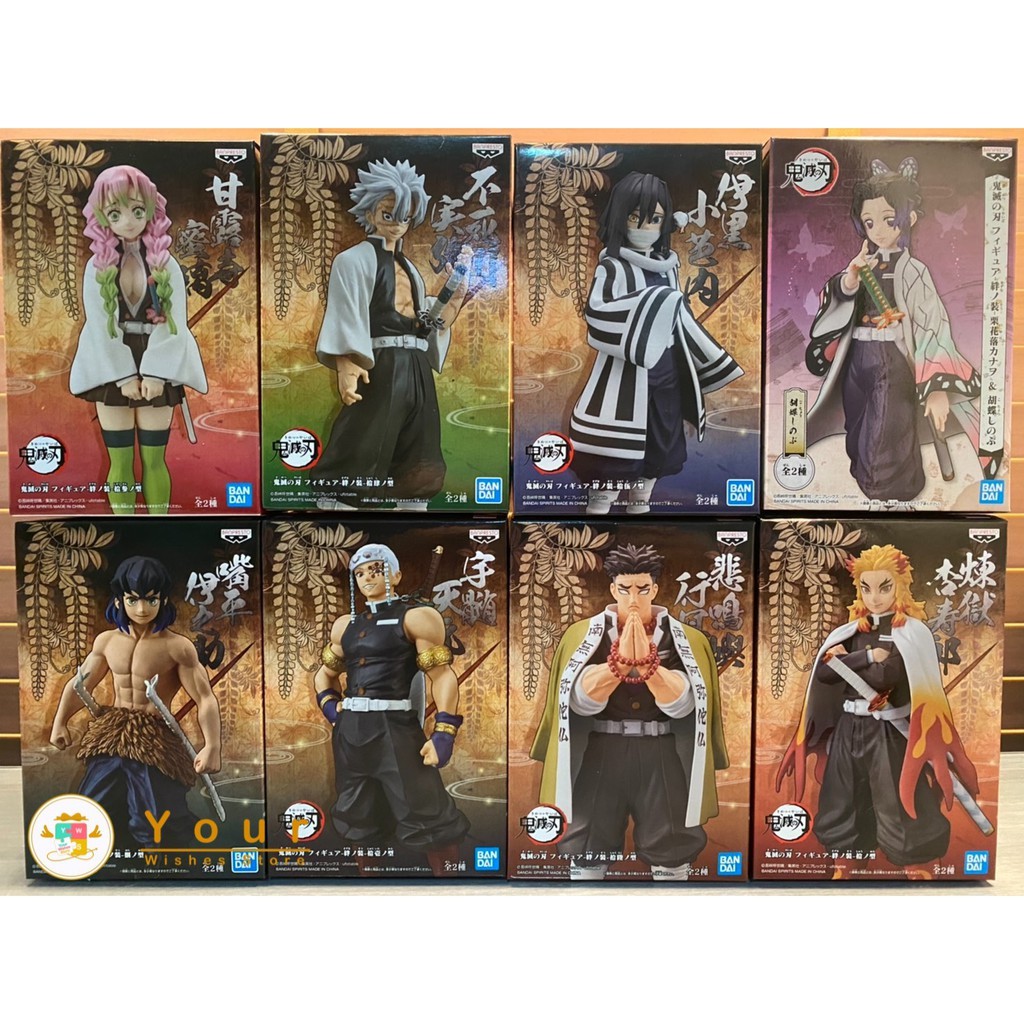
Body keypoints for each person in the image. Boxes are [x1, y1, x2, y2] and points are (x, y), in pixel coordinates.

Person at [530, 543, 727, 880]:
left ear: (655, 589)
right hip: (602, 751)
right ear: (612, 589)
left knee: (672, 840)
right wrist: (618, 665)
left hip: (660, 752)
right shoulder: (581, 635)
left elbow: (686, 705)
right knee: (587, 841)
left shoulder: (687, 639)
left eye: (642, 589)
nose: (633, 599)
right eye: (624, 589)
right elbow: (576, 700)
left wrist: (650, 667)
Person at [776, 544, 979, 866]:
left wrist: (847, 661)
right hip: (848, 727)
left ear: (900, 586)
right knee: (842, 794)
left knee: (896, 794)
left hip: (890, 729)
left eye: (884, 587)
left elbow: (887, 677)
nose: (874, 597)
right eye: (866, 588)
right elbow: (826, 673)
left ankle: (916, 860)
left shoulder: (911, 633)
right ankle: (846, 858)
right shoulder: (849, 632)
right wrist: (867, 656)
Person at [804, 158, 981, 501]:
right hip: (857, 358)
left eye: (889, 220)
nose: (879, 231)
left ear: (908, 219)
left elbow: (933, 325)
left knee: (885, 434)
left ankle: (889, 500)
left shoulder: (914, 271)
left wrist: (937, 389)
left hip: (893, 359)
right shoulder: (861, 265)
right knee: (857, 431)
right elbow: (833, 301)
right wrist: (850, 279)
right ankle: (871, 493)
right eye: (870, 222)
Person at [568, 171, 743, 515]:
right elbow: (598, 313)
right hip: (624, 370)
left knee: (661, 436)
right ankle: (599, 508)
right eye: (635, 217)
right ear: (620, 217)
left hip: (667, 367)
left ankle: (641, 505)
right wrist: (653, 307)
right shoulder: (613, 267)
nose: (644, 227)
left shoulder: (667, 267)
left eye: (654, 219)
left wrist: (704, 352)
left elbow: (680, 316)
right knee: (615, 446)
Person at [312, 159, 471, 511]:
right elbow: (345, 312)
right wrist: (346, 365)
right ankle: (340, 509)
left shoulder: (409, 268)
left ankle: (412, 512)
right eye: (389, 214)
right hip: (379, 365)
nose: (398, 224)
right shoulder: (353, 261)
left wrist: (453, 298)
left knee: (420, 447)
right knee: (364, 442)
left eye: (405, 217)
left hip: (416, 368)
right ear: (370, 212)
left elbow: (427, 323)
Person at [314, 543, 470, 875]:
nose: (367, 577)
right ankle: (369, 887)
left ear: (396, 575)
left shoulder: (416, 617)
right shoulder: (345, 625)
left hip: (394, 728)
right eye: (359, 573)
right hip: (350, 733)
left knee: (428, 815)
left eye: (376, 569)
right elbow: (324, 675)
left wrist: (444, 732)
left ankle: (451, 886)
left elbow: (442, 676)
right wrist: (332, 710)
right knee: (357, 817)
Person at [48, 556, 221, 846]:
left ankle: (165, 860)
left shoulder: (177, 647)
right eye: (133, 600)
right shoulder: (107, 642)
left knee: (154, 818)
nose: (142, 609)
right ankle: (89, 856)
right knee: (90, 809)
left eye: (151, 600)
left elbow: (205, 699)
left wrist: (212, 746)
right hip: (112, 734)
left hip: (152, 740)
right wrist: (60, 722)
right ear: (120, 600)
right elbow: (80, 684)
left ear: (162, 600)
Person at [71, 166, 208, 515]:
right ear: (102, 217)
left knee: (154, 457)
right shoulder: (98, 267)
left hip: (156, 358)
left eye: (137, 210)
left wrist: (157, 372)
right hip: (110, 364)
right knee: (119, 459)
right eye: (115, 213)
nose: (129, 222)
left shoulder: (166, 265)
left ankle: (158, 525)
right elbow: (99, 325)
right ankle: (125, 527)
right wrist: (122, 375)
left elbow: (174, 323)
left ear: (150, 209)